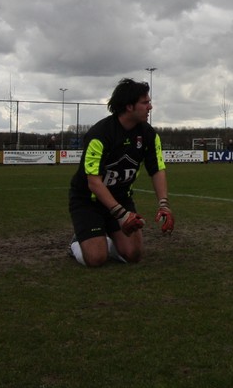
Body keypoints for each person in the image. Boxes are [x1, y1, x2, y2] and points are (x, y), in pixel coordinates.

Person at [67, 78, 173, 266]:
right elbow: (94, 182)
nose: (150, 107)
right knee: (96, 258)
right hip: (88, 201)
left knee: (134, 255)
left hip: (121, 198)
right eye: (145, 102)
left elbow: (157, 170)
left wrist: (164, 205)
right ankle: (78, 242)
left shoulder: (149, 135)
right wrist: (122, 215)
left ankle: (104, 238)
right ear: (129, 106)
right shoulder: (99, 135)